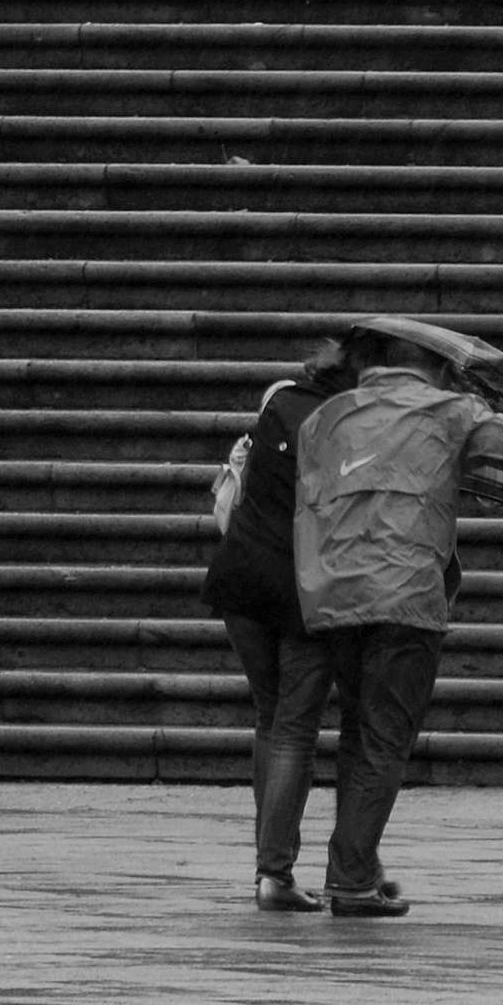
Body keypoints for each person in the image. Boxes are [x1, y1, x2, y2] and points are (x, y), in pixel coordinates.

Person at [255, 318, 503, 918]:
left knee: (358, 731)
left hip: (331, 595)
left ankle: (353, 869)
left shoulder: (325, 418)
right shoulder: (447, 410)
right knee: (384, 741)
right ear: (433, 365)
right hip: (404, 598)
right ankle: (352, 880)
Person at [199, 342, 360, 914]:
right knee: (294, 728)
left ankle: (272, 867)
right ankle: (275, 873)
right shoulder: (352, 426)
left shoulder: (279, 399)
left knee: (271, 718)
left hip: (242, 574)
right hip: (303, 586)